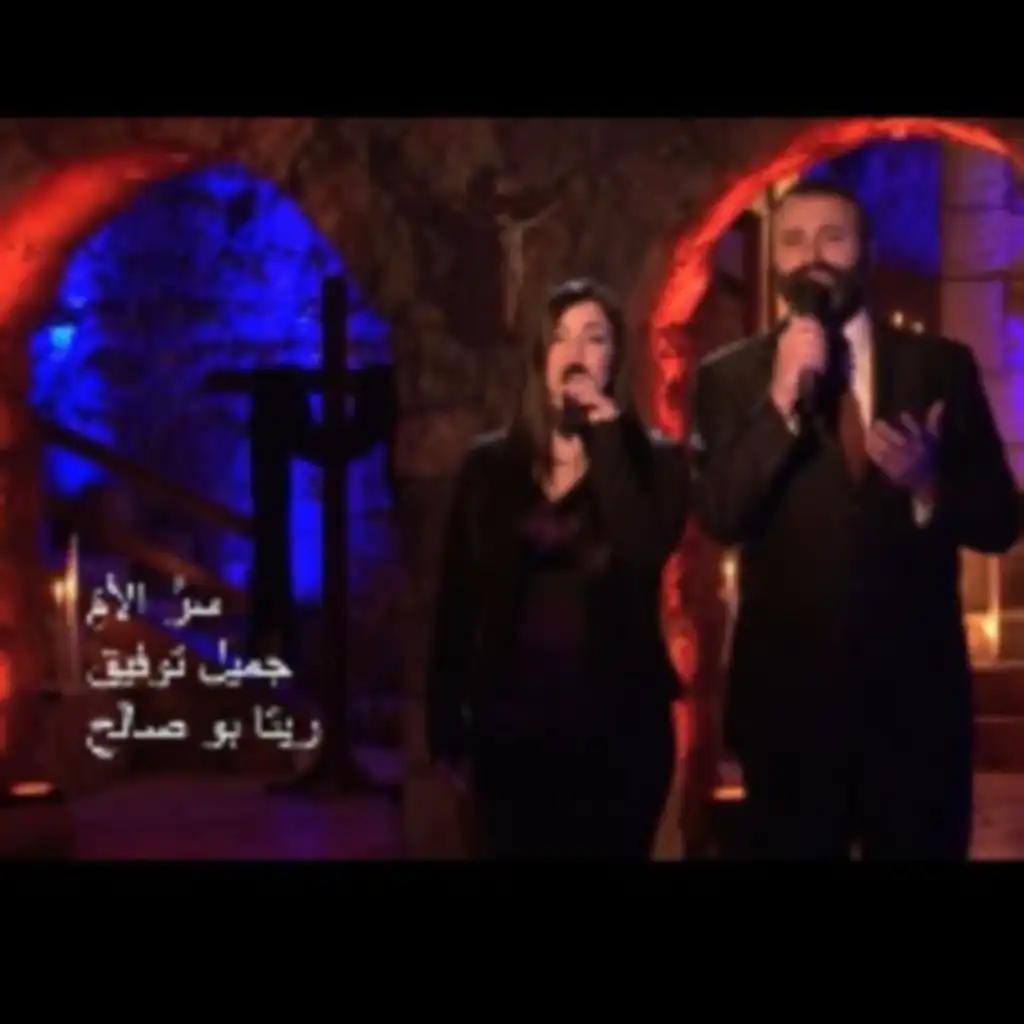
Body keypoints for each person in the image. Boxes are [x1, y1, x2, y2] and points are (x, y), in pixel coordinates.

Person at [690, 178, 1020, 860]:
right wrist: (780, 400)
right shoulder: (730, 378)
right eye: (793, 240)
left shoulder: (941, 368)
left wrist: (929, 483)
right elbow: (721, 513)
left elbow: (1000, 522)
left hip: (916, 711)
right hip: (787, 715)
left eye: (832, 237)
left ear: (866, 253)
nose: (811, 255)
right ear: (775, 259)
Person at [426, 278, 689, 858]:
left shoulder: (656, 462)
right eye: (560, 338)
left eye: (594, 338)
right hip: (510, 733)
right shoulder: (489, 467)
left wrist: (609, 438)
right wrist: (443, 727)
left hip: (619, 735)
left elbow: (643, 548)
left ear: (614, 359)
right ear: (540, 358)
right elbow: (457, 601)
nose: (574, 354)